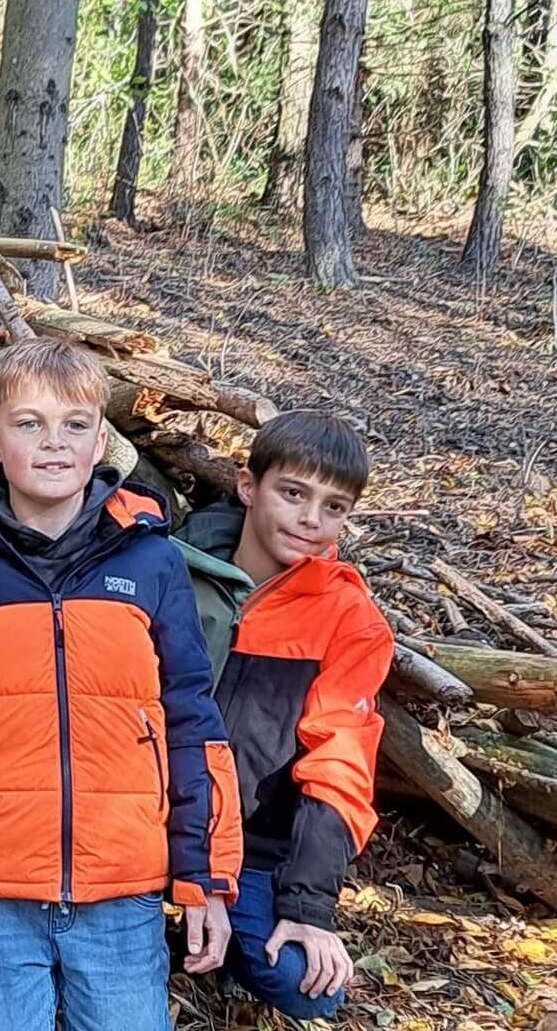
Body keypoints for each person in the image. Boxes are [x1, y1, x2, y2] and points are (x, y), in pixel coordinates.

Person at [0, 339, 242, 1031]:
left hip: (121, 884)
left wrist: (205, 879)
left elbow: (192, 724)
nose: (52, 443)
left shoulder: (152, 562)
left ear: (100, 440)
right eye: (28, 423)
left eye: (73, 424)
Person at [175, 412, 393, 1020]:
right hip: (148, 823)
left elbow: (340, 763)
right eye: (293, 493)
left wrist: (308, 907)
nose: (309, 520)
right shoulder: (169, 570)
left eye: (333, 507)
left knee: (308, 987)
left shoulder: (348, 618)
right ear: (248, 486)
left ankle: (231, 935)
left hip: (251, 847)